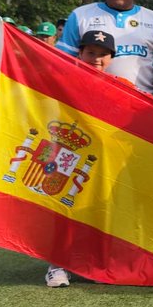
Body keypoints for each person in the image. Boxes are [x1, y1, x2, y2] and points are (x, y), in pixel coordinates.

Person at [43, 29, 130, 287]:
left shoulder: (122, 86)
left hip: (103, 161)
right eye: (91, 53)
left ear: (112, 57)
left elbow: (148, 106)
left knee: (100, 208)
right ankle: (57, 264)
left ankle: (94, 262)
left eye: (103, 55)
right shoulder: (62, 79)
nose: (97, 59)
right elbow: (23, 75)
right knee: (64, 209)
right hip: (67, 155)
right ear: (79, 53)